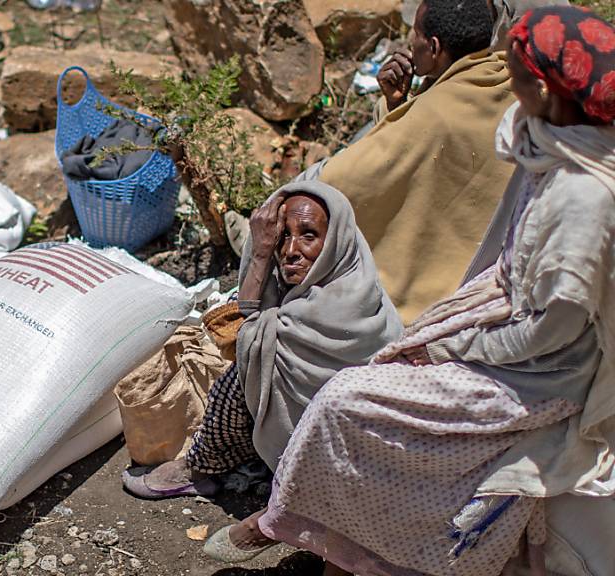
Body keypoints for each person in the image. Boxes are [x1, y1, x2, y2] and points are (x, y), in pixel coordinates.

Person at [212, 8, 615, 575]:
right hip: (494, 323)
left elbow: (553, 328)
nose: (507, 75)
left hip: (538, 371)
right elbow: (504, 261)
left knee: (345, 403)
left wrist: (457, 347)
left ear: (545, 88)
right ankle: (338, 547)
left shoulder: (581, 198)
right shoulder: (544, 148)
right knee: (378, 371)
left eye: (519, 68)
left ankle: (288, 524)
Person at [122, 182, 402, 508]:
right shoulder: (324, 283)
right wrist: (261, 249)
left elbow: (248, 336)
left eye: (309, 235)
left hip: (348, 456)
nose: (290, 250)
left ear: (337, 239)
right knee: (253, 364)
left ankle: (201, 469)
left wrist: (259, 256)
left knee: (239, 379)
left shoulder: (343, 303)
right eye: (282, 236)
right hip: (319, 442)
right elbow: (251, 322)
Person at [313, 0, 516, 323]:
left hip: (438, 296)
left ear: (434, 47)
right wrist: (397, 103)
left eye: (415, 33)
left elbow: (340, 183)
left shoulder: (432, 113)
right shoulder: (514, 81)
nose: (409, 42)